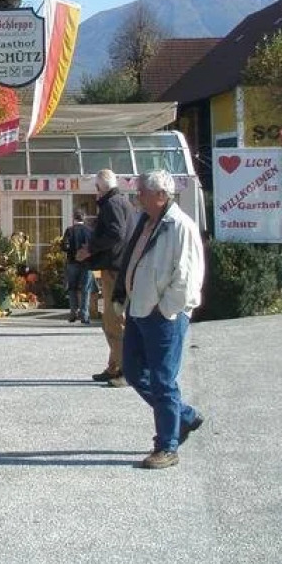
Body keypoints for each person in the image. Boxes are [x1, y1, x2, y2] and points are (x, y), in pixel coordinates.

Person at [114, 170, 205, 470]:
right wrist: (123, 297)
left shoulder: (180, 226)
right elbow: (132, 261)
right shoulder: (146, 221)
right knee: (133, 370)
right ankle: (184, 416)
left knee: (163, 381)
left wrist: (164, 309)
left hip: (163, 316)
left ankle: (167, 446)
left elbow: (188, 279)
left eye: (142, 191)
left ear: (161, 196)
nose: (136, 196)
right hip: (139, 311)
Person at [76, 169, 134, 387]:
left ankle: (125, 370)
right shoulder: (122, 202)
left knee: (112, 321)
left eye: (96, 189)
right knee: (115, 318)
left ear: (100, 188)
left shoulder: (111, 205)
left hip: (114, 269)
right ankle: (114, 367)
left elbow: (116, 233)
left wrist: (89, 249)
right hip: (121, 267)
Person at [61, 208, 94, 323]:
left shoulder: (69, 231)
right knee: (86, 289)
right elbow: (94, 247)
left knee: (72, 288)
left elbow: (64, 246)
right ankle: (84, 315)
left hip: (72, 262)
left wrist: (71, 250)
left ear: (73, 218)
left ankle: (73, 312)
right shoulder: (89, 231)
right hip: (87, 263)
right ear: (84, 218)